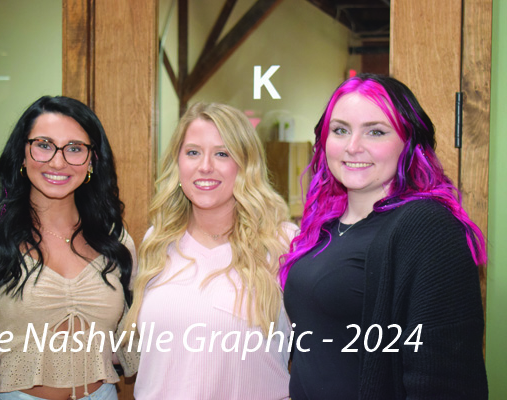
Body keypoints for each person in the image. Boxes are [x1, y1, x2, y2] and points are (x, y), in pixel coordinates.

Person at [281, 73, 488, 399]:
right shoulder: (325, 228)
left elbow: (445, 381)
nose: (353, 147)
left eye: (375, 132)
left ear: (409, 142)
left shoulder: (427, 227)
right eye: (340, 130)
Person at [0, 96, 139, 400]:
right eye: (44, 145)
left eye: (75, 148)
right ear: (22, 154)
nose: (58, 162)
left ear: (92, 160)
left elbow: (135, 345)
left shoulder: (116, 240)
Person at [125, 102, 297, 399]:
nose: (205, 166)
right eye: (193, 152)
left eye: (222, 153)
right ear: (178, 163)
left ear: (245, 164)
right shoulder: (157, 241)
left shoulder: (282, 243)